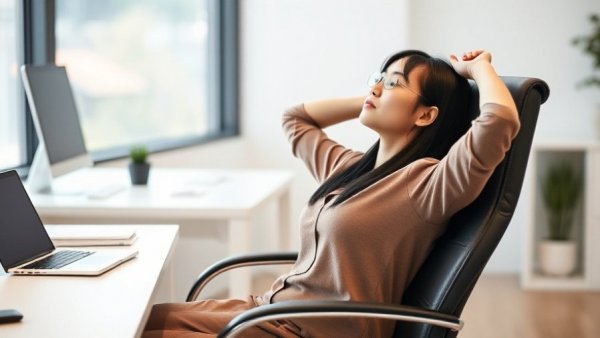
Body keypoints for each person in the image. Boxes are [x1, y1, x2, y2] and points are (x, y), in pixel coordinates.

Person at [142, 49, 520, 338]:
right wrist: (375, 100)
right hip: (265, 312)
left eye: (394, 83)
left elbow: (500, 121)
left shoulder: (429, 185)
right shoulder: (349, 168)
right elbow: (295, 118)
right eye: (379, 77)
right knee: (142, 318)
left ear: (425, 115)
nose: (374, 86)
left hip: (305, 332)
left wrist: (480, 68)